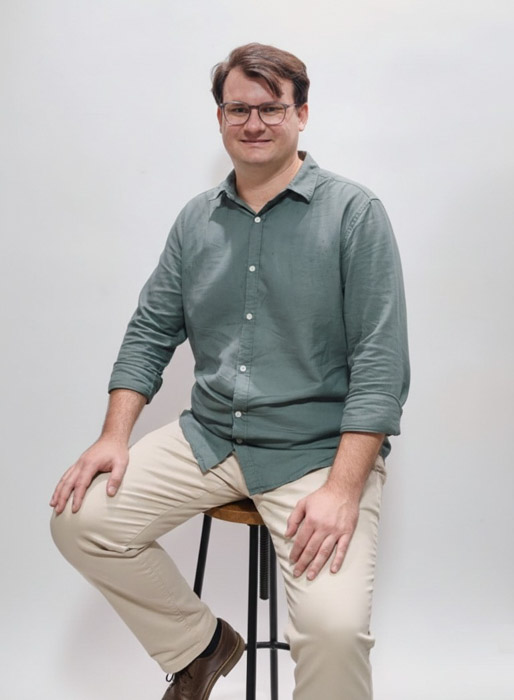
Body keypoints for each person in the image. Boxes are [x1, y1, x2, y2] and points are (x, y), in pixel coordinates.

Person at [50, 42, 409, 700]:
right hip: (211, 436)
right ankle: (200, 646)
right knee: (81, 521)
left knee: (332, 633)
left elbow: (380, 363)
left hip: (314, 453)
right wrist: (113, 436)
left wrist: (342, 488)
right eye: (238, 109)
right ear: (219, 118)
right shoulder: (196, 220)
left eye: (271, 108)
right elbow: (150, 330)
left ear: (301, 114)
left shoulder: (354, 214)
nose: (253, 123)